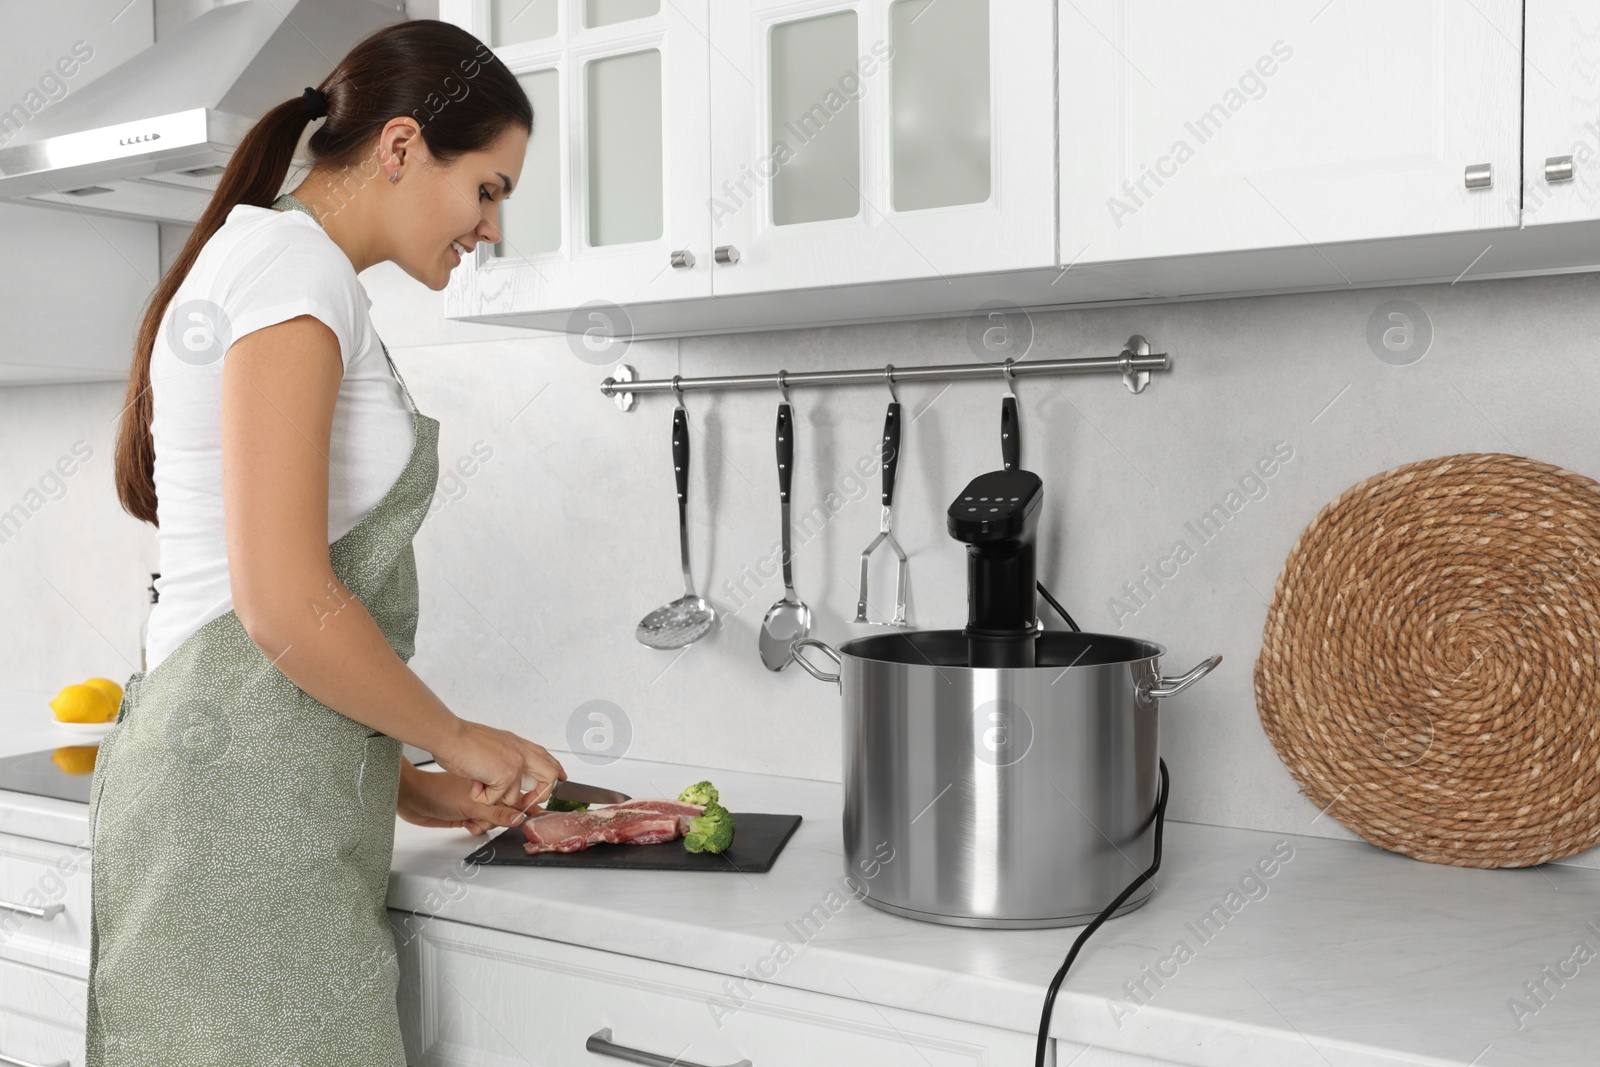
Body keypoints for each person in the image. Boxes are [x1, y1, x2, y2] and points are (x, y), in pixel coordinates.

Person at [90, 20, 563, 1066]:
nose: (490, 227)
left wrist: (406, 779)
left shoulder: (286, 270)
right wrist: (454, 734)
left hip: (265, 800)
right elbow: (281, 601)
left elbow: (283, 622)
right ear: (400, 148)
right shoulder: (289, 273)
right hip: (231, 820)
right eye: (488, 188)